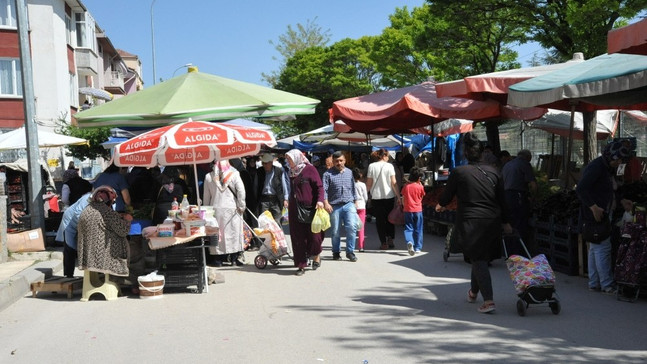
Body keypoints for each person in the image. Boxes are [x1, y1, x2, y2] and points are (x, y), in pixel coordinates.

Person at [436, 132, 511, 314]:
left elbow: (447, 196)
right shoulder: (495, 172)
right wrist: (507, 222)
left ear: (466, 153)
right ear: (482, 152)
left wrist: (441, 205)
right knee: (480, 257)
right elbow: (503, 199)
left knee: (477, 258)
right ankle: (473, 292)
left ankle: (489, 301)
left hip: (471, 221)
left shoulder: (459, 172)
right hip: (492, 220)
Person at [576, 141, 631, 295]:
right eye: (617, 159)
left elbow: (612, 189)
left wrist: (621, 200)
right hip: (596, 214)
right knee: (603, 247)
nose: (619, 162)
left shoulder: (608, 168)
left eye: (621, 160)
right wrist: (593, 207)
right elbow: (581, 189)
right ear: (610, 155)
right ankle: (607, 284)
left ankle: (594, 283)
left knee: (595, 247)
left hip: (603, 212)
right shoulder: (596, 167)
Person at [76, 185, 132, 279]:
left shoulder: (86, 210)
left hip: (86, 257)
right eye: (113, 200)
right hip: (102, 257)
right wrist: (127, 220)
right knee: (132, 248)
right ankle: (123, 279)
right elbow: (123, 231)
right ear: (109, 199)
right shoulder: (107, 212)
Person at [285, 149, 325, 276]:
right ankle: (301, 265)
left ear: (297, 157)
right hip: (295, 209)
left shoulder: (310, 169)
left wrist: (320, 201)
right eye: (287, 159)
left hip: (311, 208)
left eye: (290, 159)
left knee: (315, 237)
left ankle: (316, 254)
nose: (288, 161)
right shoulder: (291, 172)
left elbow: (319, 187)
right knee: (298, 238)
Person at [203, 160, 246, 267]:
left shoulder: (209, 177)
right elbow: (241, 190)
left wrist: (206, 211)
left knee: (218, 234)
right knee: (233, 233)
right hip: (232, 208)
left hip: (216, 209)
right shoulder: (234, 174)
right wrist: (241, 205)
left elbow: (206, 197)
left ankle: (218, 260)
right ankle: (234, 259)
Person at [323, 151, 358, 262]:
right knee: (335, 231)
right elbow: (324, 190)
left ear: (345, 160)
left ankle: (350, 252)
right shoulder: (327, 174)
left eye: (341, 160)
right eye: (336, 161)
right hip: (334, 206)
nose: (339, 163)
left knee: (352, 227)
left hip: (349, 204)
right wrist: (326, 203)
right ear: (333, 162)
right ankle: (336, 252)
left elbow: (353, 187)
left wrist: (355, 200)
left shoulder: (349, 172)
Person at [502, 149, 537, 252]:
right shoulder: (524, 164)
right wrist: (534, 198)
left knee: (510, 222)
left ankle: (509, 250)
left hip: (506, 196)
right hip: (518, 197)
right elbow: (533, 185)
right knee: (520, 223)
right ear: (527, 157)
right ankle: (520, 251)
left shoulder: (507, 165)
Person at [366, 148, 401, 250]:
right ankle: (390, 238)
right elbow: (394, 183)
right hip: (389, 196)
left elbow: (369, 183)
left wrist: (365, 195)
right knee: (390, 218)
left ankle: (383, 243)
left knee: (380, 221)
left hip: (376, 197)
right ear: (385, 156)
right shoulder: (390, 166)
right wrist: (398, 196)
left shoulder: (371, 166)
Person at [55, 191, 92, 277]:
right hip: (70, 222)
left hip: (81, 224)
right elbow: (78, 212)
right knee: (70, 248)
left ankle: (91, 274)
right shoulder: (87, 199)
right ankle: (68, 275)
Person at [254, 153, 288, 224]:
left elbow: (283, 185)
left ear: (271, 163)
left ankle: (277, 234)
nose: (265, 165)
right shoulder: (259, 171)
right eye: (263, 163)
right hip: (264, 199)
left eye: (266, 163)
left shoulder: (278, 171)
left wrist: (286, 199)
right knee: (264, 221)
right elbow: (256, 186)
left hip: (275, 199)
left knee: (277, 220)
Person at [402, 167, 426, 256]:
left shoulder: (406, 187)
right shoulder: (420, 187)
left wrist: (404, 206)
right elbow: (421, 197)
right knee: (418, 229)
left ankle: (410, 241)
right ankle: (418, 248)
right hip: (418, 210)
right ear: (419, 178)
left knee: (408, 228)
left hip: (408, 210)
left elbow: (403, 199)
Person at [353, 168, 368, 253]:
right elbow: (365, 196)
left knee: (352, 227)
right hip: (362, 205)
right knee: (361, 227)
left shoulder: (351, 184)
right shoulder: (362, 185)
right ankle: (361, 246)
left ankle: (350, 245)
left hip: (353, 206)